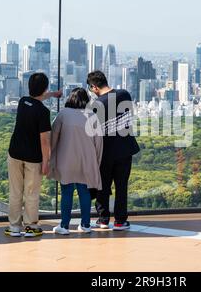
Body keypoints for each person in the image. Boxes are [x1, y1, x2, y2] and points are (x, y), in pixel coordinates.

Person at [5, 73, 62, 237]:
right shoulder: (43, 112)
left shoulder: (23, 102)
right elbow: (44, 140)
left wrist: (52, 94)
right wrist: (46, 161)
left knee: (15, 191)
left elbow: (37, 98)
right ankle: (30, 226)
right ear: (44, 88)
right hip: (33, 157)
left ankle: (14, 226)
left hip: (14, 153)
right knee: (31, 192)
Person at [87, 71, 140, 231]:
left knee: (103, 186)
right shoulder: (125, 94)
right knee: (121, 186)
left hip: (105, 153)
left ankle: (103, 219)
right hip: (125, 149)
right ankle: (120, 221)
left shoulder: (95, 106)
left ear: (94, 87)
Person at [49, 88, 103, 235]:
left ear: (70, 98)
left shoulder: (63, 114)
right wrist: (96, 162)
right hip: (86, 160)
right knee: (84, 192)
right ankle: (85, 225)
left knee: (66, 192)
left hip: (65, 159)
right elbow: (99, 143)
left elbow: (53, 138)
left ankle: (64, 226)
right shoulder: (92, 116)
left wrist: (50, 156)